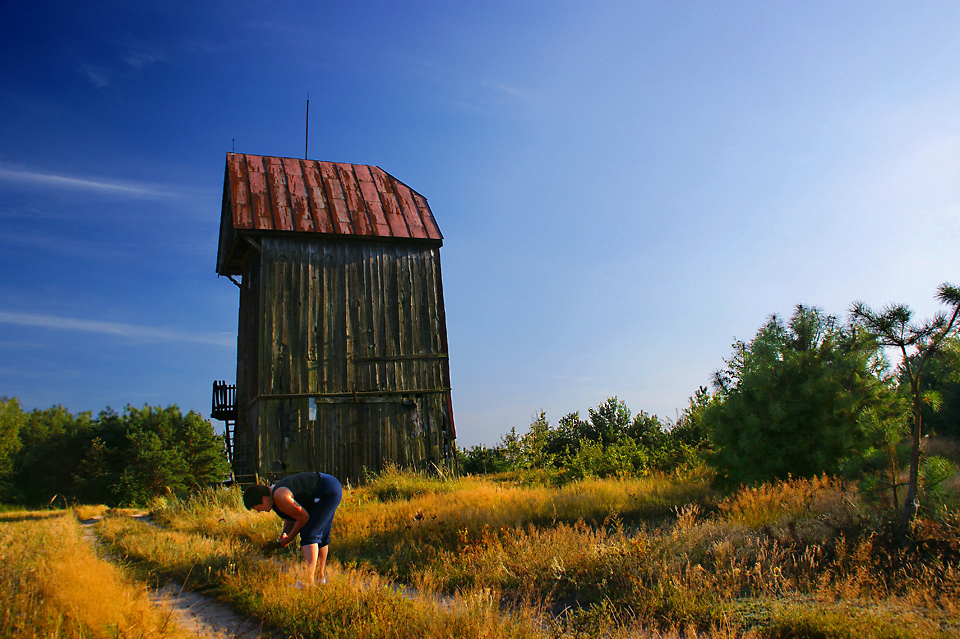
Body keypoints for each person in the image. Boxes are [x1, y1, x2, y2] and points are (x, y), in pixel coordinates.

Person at [243, 471, 343, 586]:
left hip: (327, 490)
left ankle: (308, 582)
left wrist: (289, 539)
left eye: (257, 508)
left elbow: (303, 517)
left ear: (264, 499)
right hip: (329, 486)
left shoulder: (279, 496)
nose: (260, 511)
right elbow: (292, 516)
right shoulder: (273, 496)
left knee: (309, 535)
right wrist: (285, 533)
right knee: (321, 536)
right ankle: (320, 579)